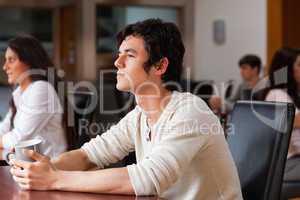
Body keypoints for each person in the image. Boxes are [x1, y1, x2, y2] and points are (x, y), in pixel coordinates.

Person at [10, 19, 242, 199]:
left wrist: (54, 179)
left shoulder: (190, 111)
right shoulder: (140, 116)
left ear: (160, 65)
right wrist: (45, 168)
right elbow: (89, 155)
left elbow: (148, 179)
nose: (117, 63)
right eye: (119, 54)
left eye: (129, 55)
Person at [0, 35, 68, 157]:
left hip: (50, 166)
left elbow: (19, 139)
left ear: (29, 62)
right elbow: (4, 128)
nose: (5, 67)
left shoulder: (42, 89)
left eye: (11, 60)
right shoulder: (20, 92)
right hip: (28, 163)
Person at [264, 47, 300, 181]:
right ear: (287, 69)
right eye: (299, 65)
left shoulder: (294, 94)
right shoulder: (276, 94)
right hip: (289, 162)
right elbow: (295, 120)